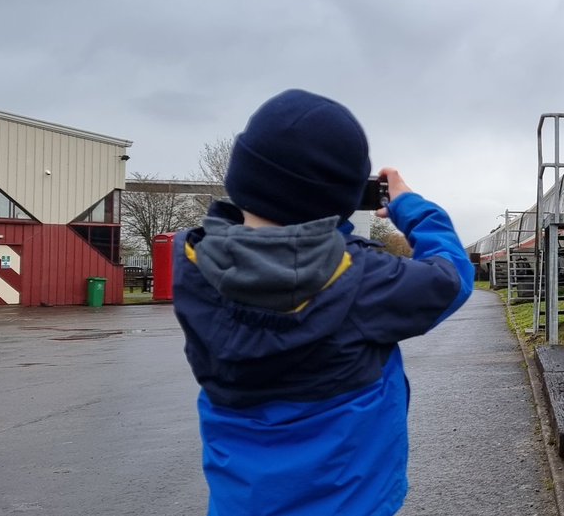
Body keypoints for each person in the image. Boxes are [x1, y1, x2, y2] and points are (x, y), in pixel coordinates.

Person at [173, 89, 474, 515]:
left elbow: (282, 252)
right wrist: (412, 208)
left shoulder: (192, 264)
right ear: (342, 197)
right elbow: (452, 275)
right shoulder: (361, 278)